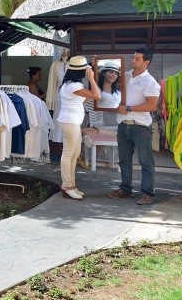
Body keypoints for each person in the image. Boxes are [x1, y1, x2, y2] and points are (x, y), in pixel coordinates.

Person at [108, 47, 160, 206]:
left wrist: (129, 108)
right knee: (124, 159)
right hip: (123, 124)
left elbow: (152, 105)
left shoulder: (150, 81)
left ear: (146, 62)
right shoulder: (125, 76)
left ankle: (147, 193)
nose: (132, 60)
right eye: (132, 57)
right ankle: (125, 189)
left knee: (145, 161)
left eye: (137, 59)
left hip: (141, 126)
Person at [56, 56, 101, 201]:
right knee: (69, 154)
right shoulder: (73, 87)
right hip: (70, 123)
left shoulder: (71, 86)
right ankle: (67, 186)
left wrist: (90, 74)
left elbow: (90, 97)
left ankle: (71, 184)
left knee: (74, 154)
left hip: (71, 122)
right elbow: (97, 95)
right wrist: (91, 77)